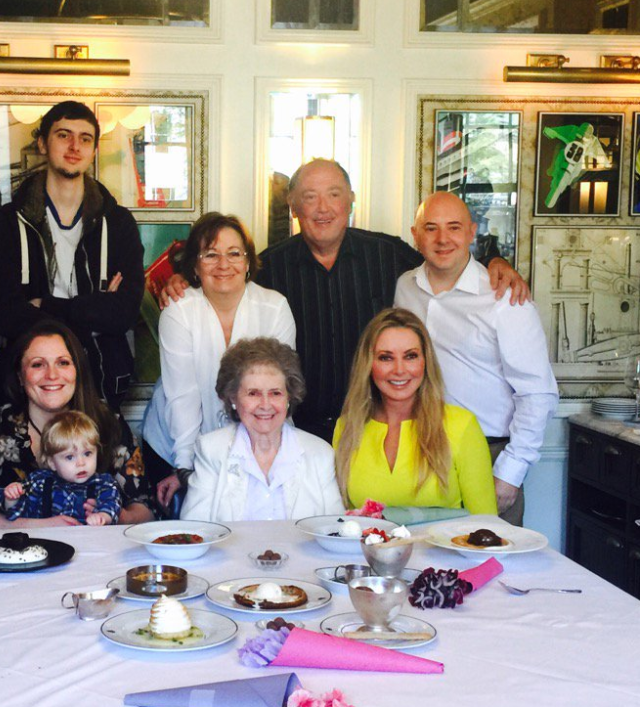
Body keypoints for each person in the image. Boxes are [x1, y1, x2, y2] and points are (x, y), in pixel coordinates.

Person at [160, 158, 529, 443]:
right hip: (294, 432)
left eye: (334, 194)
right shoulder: (269, 266)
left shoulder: (390, 255)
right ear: (293, 206)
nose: (323, 207)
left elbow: (446, 259)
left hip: (374, 430)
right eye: (309, 196)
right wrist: (184, 280)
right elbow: (222, 277)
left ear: (351, 200)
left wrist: (497, 263)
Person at [395, 192, 558, 525]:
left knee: (490, 568)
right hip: (420, 451)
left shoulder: (506, 298)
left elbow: (537, 393)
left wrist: (511, 472)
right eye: (431, 228)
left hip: (489, 454)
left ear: (471, 233)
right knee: (423, 566)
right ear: (415, 235)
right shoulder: (405, 287)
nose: (443, 239)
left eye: (454, 228)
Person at [0, 100, 145, 410]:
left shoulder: (118, 222)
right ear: (43, 143)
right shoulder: (9, 222)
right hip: (29, 384)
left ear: (94, 150)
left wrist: (44, 304)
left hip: (100, 380)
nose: (75, 146)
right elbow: (6, 316)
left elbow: (122, 313)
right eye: (63, 135)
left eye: (85, 138)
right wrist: (94, 310)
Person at [141, 212, 296, 509]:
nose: (224, 265)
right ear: (195, 267)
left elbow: (277, 392)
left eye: (234, 253)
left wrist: (274, 456)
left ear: (248, 262)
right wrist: (185, 467)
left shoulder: (274, 308)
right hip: (174, 442)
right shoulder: (179, 311)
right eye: (211, 254)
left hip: (253, 445)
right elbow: (183, 395)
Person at [0, 320, 158, 529]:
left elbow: (146, 510)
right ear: (19, 375)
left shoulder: (108, 421)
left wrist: (112, 515)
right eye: (37, 364)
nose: (52, 375)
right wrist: (38, 527)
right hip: (13, 553)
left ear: (77, 370)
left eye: (63, 362)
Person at [333, 308, 497, 514]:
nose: (399, 370)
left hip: (443, 547)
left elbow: (486, 523)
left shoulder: (461, 425)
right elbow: (343, 521)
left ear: (425, 362)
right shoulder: (347, 427)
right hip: (365, 547)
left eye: (410, 356)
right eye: (386, 358)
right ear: (368, 364)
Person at [180, 337, 344, 522]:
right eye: (253, 393)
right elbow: (194, 529)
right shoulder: (211, 450)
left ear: (288, 397)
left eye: (276, 393)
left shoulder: (319, 453)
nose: (265, 405)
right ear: (233, 398)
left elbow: (335, 529)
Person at [5, 410, 121, 525]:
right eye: (70, 457)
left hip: (88, 541)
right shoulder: (39, 482)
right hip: (47, 541)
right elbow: (17, 516)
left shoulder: (103, 483)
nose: (81, 463)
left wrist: (102, 517)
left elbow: (112, 504)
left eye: (87, 453)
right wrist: (12, 498)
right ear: (52, 463)